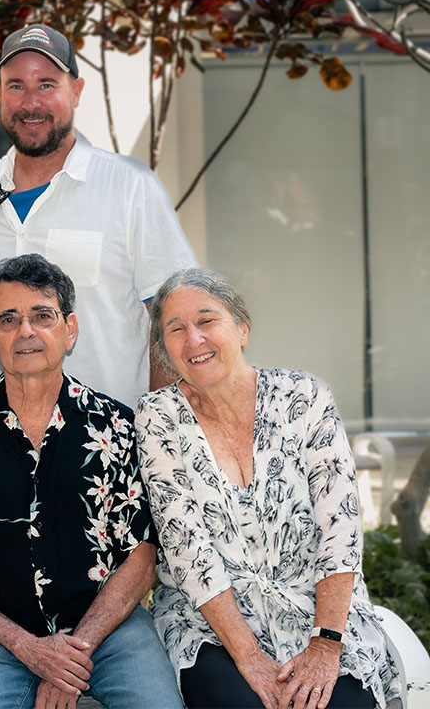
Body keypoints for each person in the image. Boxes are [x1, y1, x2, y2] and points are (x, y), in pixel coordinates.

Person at [135, 268, 401, 709]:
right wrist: (249, 657)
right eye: (175, 330)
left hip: (318, 612)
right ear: (166, 350)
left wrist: (326, 643)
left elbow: (342, 527)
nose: (194, 340)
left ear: (242, 327)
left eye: (206, 321)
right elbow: (188, 551)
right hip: (212, 622)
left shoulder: (306, 398)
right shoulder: (157, 416)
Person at [0, 254, 184, 709]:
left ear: (70, 329)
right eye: (8, 319)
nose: (25, 331)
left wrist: (71, 656)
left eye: (41, 316)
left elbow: (142, 558)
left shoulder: (117, 427)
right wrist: (26, 647)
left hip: (108, 632)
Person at [0, 24, 196, 408]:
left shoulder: (129, 187)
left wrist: (154, 433)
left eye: (46, 85)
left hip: (109, 449)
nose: (31, 103)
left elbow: (173, 319)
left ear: (76, 92)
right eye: (15, 86)